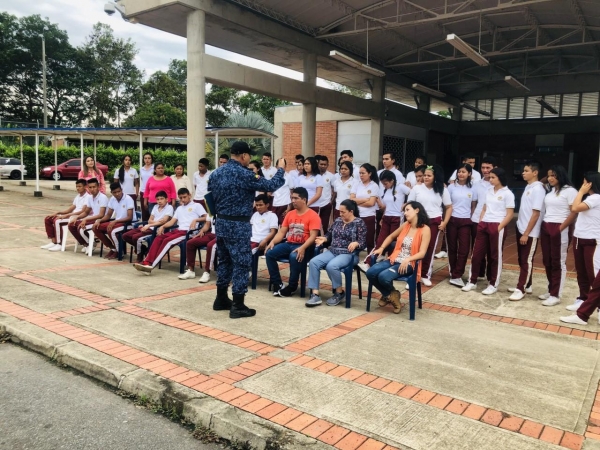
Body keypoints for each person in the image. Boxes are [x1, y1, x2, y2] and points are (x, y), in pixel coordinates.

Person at [208, 141, 287, 318]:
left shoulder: (216, 173)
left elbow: (209, 197)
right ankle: (238, 304)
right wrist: (280, 169)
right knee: (242, 263)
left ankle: (221, 298)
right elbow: (270, 186)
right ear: (243, 156)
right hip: (238, 225)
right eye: (248, 157)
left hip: (220, 223)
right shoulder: (244, 174)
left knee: (224, 261)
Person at [366, 201, 431, 314]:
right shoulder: (406, 225)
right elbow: (391, 236)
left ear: (417, 210)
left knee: (383, 277)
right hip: (394, 259)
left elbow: (422, 253)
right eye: (404, 211)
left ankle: (388, 295)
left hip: (409, 264)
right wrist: (382, 248)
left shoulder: (425, 229)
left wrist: (408, 259)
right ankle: (391, 294)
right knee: (370, 272)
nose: (405, 213)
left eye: (407, 210)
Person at [462, 168, 515, 294]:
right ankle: (472, 281)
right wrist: (481, 221)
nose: (490, 180)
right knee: (476, 254)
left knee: (495, 256)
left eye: (493, 177)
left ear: (500, 178)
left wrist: (499, 227)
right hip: (484, 224)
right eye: (489, 177)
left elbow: (510, 214)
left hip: (497, 224)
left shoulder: (508, 193)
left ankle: (493, 284)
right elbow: (484, 208)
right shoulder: (489, 191)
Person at [306, 199, 367, 307]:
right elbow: (329, 233)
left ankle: (339, 292)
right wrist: (325, 239)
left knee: (332, 266)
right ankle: (315, 294)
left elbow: (363, 242)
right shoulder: (338, 220)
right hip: (333, 251)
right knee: (313, 262)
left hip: (348, 254)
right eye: (340, 211)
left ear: (351, 211)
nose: (340, 214)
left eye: (343, 212)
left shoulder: (359, 223)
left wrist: (356, 243)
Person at [133, 188, 206, 273]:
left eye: (184, 197)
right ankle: (147, 260)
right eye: (181, 198)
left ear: (189, 195)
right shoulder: (179, 209)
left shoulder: (197, 206)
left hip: (188, 232)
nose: (183, 199)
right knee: (158, 238)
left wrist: (196, 220)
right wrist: (163, 226)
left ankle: (150, 265)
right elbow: (172, 222)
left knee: (167, 241)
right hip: (178, 230)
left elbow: (206, 217)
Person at [266, 187, 321, 298]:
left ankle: (292, 287)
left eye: (296, 198)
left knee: (293, 256)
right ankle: (278, 283)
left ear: (304, 200)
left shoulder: (313, 215)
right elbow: (282, 232)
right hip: (289, 243)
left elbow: (313, 236)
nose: (293, 201)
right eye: (292, 198)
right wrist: (272, 242)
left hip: (305, 246)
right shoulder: (290, 214)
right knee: (269, 253)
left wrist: (303, 248)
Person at [407, 164, 452, 286]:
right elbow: (409, 205)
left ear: (435, 177)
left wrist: (444, 222)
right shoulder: (416, 188)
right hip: (418, 221)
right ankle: (412, 274)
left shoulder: (442, 190)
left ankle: (425, 274)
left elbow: (448, 207)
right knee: (415, 247)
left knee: (429, 248)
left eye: (429, 175)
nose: (425, 177)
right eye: (424, 175)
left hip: (434, 221)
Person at [508, 161, 546, 301]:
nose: (523, 173)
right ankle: (527, 284)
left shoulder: (538, 189)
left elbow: (536, 214)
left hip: (529, 232)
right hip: (521, 227)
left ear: (535, 172)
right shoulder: (530, 186)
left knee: (526, 260)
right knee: (521, 259)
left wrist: (526, 233)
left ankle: (521, 288)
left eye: (526, 170)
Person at [559, 171, 596, 311]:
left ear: (590, 184)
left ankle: (595, 302)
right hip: (580, 238)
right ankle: (583, 298)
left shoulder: (595, 198)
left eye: (585, 182)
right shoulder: (589, 198)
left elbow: (574, 208)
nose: (583, 185)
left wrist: (580, 192)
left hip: (591, 240)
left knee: (591, 271)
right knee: (581, 271)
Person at [445, 164, 477, 287]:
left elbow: (473, 205)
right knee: (452, 248)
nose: (461, 174)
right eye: (459, 172)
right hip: (452, 220)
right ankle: (454, 273)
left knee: (464, 249)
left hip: (466, 221)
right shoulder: (451, 187)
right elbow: (447, 205)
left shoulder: (473, 188)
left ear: (469, 174)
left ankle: (458, 273)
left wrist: (471, 217)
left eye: (463, 172)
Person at [122, 191, 173, 263]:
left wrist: (150, 224)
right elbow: (149, 220)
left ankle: (139, 255)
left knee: (136, 237)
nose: (159, 201)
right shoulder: (155, 207)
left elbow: (164, 221)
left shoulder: (169, 207)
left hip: (156, 230)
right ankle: (143, 249)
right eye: (158, 199)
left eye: (161, 199)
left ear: (166, 199)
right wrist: (155, 222)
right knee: (125, 235)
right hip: (149, 227)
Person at [41, 179, 91, 252]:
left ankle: (59, 244)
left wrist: (66, 215)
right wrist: (58, 212)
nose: (78, 188)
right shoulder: (78, 197)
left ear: (85, 187)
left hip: (77, 217)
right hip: (71, 215)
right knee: (48, 218)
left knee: (57, 221)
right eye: (77, 186)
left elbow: (82, 211)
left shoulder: (88, 197)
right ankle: (53, 241)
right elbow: (70, 209)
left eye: (80, 186)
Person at [470, 156, 497, 280]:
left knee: (492, 250)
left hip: (493, 220)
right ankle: (479, 272)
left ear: (494, 168)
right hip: (477, 220)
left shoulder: (498, 185)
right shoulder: (476, 184)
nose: (485, 170)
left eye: (488, 168)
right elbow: (474, 202)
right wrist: (472, 216)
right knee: (477, 248)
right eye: (483, 167)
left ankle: (491, 276)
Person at [93, 182, 135, 260]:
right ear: (111, 193)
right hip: (118, 222)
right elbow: (108, 215)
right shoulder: (112, 199)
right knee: (96, 227)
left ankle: (119, 251)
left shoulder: (128, 199)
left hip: (128, 223)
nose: (117, 194)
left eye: (119, 191)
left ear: (122, 190)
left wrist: (115, 221)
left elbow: (130, 217)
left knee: (111, 230)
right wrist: (100, 220)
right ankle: (113, 248)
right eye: (114, 192)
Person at [67, 178, 108, 251]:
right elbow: (86, 212)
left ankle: (91, 243)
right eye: (90, 187)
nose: (92, 189)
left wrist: (85, 219)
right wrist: (77, 217)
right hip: (93, 219)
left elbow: (101, 215)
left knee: (81, 227)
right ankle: (86, 244)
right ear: (88, 188)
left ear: (98, 187)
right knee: (71, 224)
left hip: (101, 220)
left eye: (94, 187)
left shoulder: (103, 197)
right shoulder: (90, 198)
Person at [375, 170, 411, 251]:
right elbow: (387, 206)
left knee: (394, 240)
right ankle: (374, 258)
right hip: (386, 217)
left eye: (386, 183)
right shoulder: (386, 190)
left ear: (392, 181)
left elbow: (412, 194)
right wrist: (383, 216)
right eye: (383, 184)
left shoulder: (400, 187)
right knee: (381, 239)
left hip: (397, 217)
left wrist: (406, 204)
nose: (384, 186)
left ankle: (391, 259)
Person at [350, 164, 380, 253]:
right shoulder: (356, 184)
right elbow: (351, 199)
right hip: (357, 215)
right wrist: (364, 199)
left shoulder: (374, 186)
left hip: (369, 215)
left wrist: (357, 202)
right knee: (354, 238)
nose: (361, 175)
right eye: (360, 173)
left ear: (370, 173)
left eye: (363, 173)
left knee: (369, 238)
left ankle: (369, 260)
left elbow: (371, 203)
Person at [178, 215, 217, 283]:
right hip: (211, 234)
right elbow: (207, 224)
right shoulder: (211, 211)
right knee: (190, 243)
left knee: (210, 245)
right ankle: (191, 271)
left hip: (222, 235)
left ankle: (206, 272)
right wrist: (202, 230)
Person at [315, 155, 335, 231]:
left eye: (325, 165)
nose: (323, 166)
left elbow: (334, 190)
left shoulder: (331, 176)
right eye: (321, 164)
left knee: (325, 225)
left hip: (326, 204)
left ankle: (324, 241)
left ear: (327, 165)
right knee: (315, 224)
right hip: (315, 204)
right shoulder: (314, 175)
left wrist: (331, 202)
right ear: (318, 164)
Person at [139, 152, 154, 221]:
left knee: (152, 210)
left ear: (151, 159)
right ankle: (144, 225)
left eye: (149, 158)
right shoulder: (141, 169)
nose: (147, 160)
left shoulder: (154, 168)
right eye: (145, 158)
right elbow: (142, 179)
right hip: (143, 191)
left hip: (152, 192)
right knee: (144, 210)